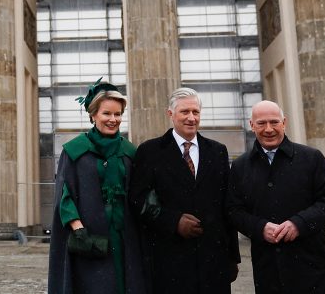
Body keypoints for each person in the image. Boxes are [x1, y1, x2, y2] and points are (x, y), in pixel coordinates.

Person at [129, 87, 240, 293]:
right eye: (184, 112)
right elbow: (138, 201)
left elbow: (227, 205)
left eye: (195, 112)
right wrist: (173, 221)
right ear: (170, 114)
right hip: (169, 259)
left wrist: (232, 257)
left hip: (212, 259)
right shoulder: (150, 151)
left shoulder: (217, 151)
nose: (191, 118)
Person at [228, 100, 325, 293]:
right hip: (269, 269)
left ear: (284, 122)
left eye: (274, 122)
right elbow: (233, 210)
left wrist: (299, 224)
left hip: (314, 265)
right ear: (251, 125)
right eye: (261, 123)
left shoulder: (311, 158)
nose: (268, 129)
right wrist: (259, 227)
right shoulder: (240, 166)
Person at [48, 79, 145, 294]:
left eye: (118, 114)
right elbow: (65, 196)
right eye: (106, 114)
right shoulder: (74, 151)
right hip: (91, 240)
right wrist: (79, 230)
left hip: (125, 240)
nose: (113, 119)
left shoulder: (130, 152)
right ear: (93, 115)